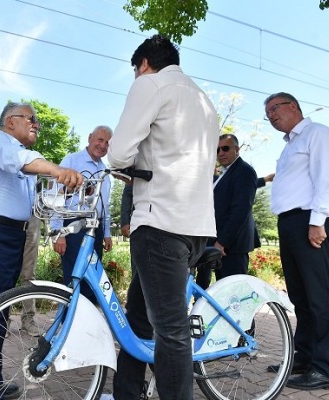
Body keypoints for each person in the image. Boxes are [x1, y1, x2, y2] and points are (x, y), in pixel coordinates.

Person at [106, 34, 218, 400]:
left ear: (142, 65)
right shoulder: (203, 100)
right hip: (195, 226)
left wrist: (126, 165)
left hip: (160, 222)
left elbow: (119, 153)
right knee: (137, 320)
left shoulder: (151, 84)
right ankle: (127, 392)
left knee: (170, 330)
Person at [0, 101, 83, 400]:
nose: (36, 124)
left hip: (9, 235)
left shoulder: (24, 165)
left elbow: (38, 203)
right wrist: (57, 169)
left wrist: (64, 187)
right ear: (10, 121)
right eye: (31, 118)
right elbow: (24, 160)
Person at [264, 92, 329, 390]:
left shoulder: (317, 133)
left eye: (274, 108)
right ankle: (303, 359)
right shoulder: (289, 146)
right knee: (301, 298)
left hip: (310, 221)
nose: (270, 116)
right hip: (290, 224)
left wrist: (318, 220)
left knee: (318, 299)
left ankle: (324, 370)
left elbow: (325, 178)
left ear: (293, 106)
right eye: (267, 113)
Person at [52, 126, 113, 303]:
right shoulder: (71, 161)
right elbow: (56, 196)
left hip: (96, 228)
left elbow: (105, 205)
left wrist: (107, 233)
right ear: (89, 138)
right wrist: (58, 233)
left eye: (107, 143)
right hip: (73, 226)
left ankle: (88, 322)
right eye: (100, 140)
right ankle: (70, 323)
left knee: (93, 277)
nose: (102, 145)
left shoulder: (105, 172)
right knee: (73, 276)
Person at [195, 133, 259, 290]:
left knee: (234, 297)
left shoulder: (244, 171)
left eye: (225, 148)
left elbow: (241, 210)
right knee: (223, 295)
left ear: (236, 150)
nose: (220, 153)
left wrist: (222, 242)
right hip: (219, 245)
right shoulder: (224, 173)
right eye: (217, 150)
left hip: (231, 247)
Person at [18, 214, 42, 336]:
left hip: (33, 216)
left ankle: (28, 319)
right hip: (8, 214)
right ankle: (2, 320)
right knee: (5, 274)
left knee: (29, 274)